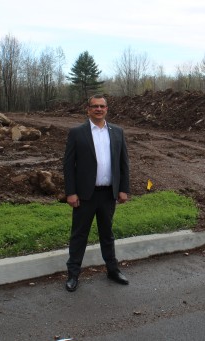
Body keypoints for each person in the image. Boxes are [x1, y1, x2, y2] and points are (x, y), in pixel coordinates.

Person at [63, 94, 131, 292]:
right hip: (85, 195)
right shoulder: (77, 132)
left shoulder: (117, 132)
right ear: (88, 109)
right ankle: (73, 274)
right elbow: (68, 166)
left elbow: (123, 163)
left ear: (107, 109)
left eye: (102, 106)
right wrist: (71, 192)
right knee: (79, 235)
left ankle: (112, 270)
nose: (98, 109)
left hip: (108, 194)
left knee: (107, 234)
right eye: (95, 106)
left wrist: (123, 189)